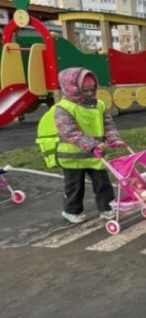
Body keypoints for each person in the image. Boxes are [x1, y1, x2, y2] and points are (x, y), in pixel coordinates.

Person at [45, 68, 124, 223]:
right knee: (74, 186)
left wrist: (113, 139)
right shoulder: (63, 108)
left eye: (92, 89)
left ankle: (107, 208)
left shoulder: (99, 105)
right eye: (85, 90)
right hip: (72, 156)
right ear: (72, 89)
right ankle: (71, 211)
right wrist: (93, 145)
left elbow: (108, 124)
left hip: (96, 155)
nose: (89, 94)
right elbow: (70, 132)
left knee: (103, 184)